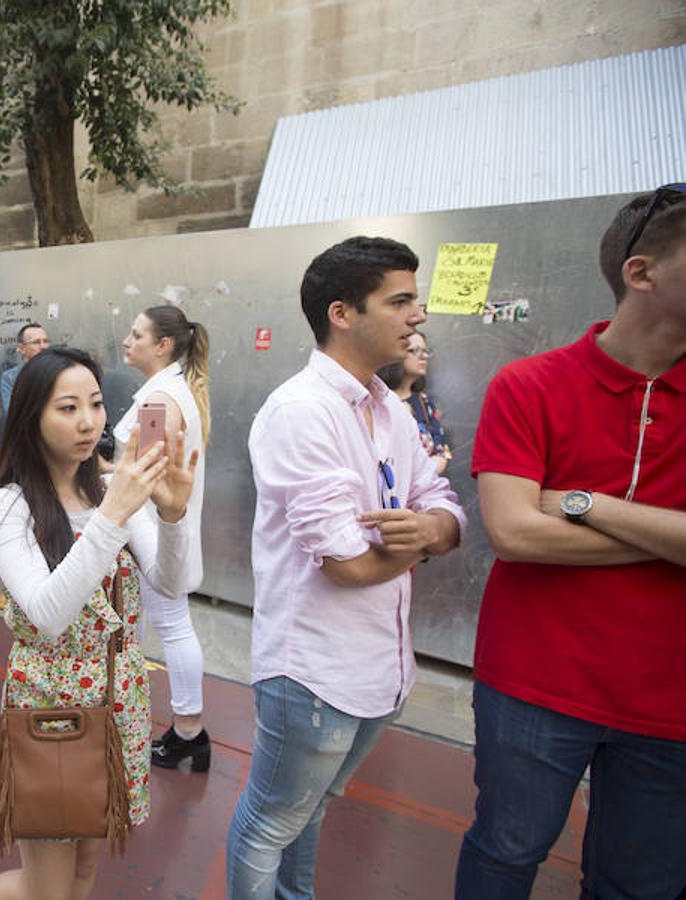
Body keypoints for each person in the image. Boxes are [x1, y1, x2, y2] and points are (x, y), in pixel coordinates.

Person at [455, 186, 686, 898]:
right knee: (505, 851)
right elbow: (516, 531)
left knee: (639, 882)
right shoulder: (530, 385)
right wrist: (668, 535)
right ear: (642, 273)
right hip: (534, 680)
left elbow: (541, 522)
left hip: (670, 698)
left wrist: (589, 506)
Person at [228, 236, 465, 899]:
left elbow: (446, 506)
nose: (417, 315)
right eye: (400, 300)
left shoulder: (387, 407)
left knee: (310, 809)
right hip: (314, 673)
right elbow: (349, 564)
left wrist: (431, 526)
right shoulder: (302, 411)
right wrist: (427, 539)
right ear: (342, 313)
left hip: (381, 668)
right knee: (270, 822)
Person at [0, 347, 197, 900]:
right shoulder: (8, 505)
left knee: (83, 873)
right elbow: (48, 615)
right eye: (67, 407)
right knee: (45, 888)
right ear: (31, 417)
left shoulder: (109, 490)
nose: (88, 421)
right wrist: (114, 514)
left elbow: (175, 583)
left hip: (119, 703)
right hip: (51, 710)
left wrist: (171, 515)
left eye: (96, 404)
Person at [114, 305, 211, 771]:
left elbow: (147, 469)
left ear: (163, 345)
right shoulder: (169, 390)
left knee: (172, 624)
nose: (127, 341)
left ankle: (189, 730)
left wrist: (100, 472)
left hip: (150, 526)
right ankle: (187, 729)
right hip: (154, 524)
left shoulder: (159, 400)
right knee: (170, 623)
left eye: (137, 334)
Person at [376, 331, 451, 474]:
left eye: (425, 351)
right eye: (415, 351)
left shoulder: (423, 401)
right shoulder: (379, 400)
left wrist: (426, 473)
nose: (423, 357)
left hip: (425, 486)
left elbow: (441, 450)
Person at [0, 323, 51, 414]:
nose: (43, 347)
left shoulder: (59, 373)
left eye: (46, 341)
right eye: (36, 342)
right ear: (21, 348)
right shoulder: (10, 377)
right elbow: (11, 411)